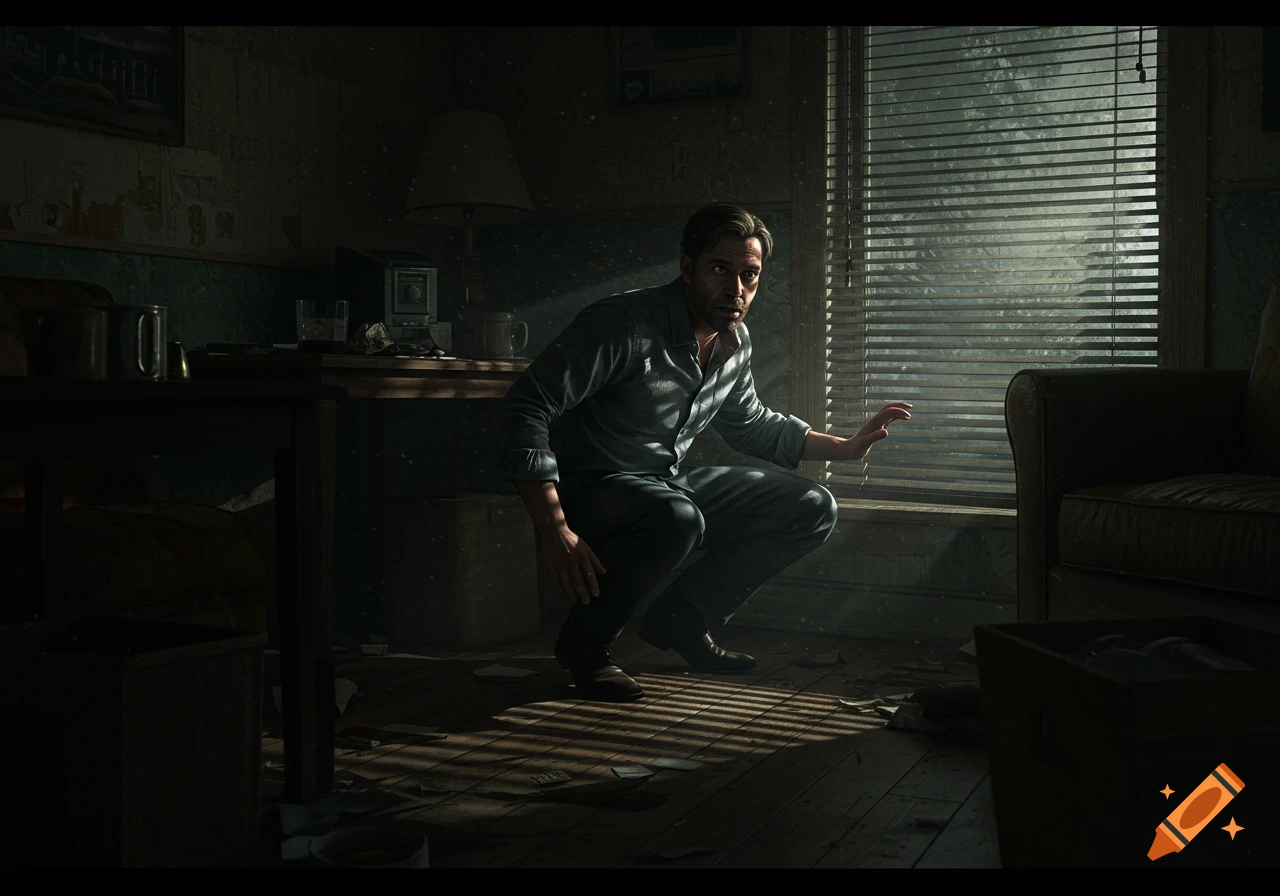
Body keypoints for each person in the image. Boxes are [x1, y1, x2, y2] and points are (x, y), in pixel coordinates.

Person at [495, 204, 911, 702]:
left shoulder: (734, 341)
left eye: (750, 276)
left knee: (812, 508)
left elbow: (751, 423)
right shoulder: (622, 323)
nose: (737, 290)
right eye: (721, 270)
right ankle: (585, 646)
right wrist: (554, 527)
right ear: (687, 268)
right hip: (590, 488)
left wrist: (845, 447)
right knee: (676, 517)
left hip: (663, 482)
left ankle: (682, 621)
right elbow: (525, 406)